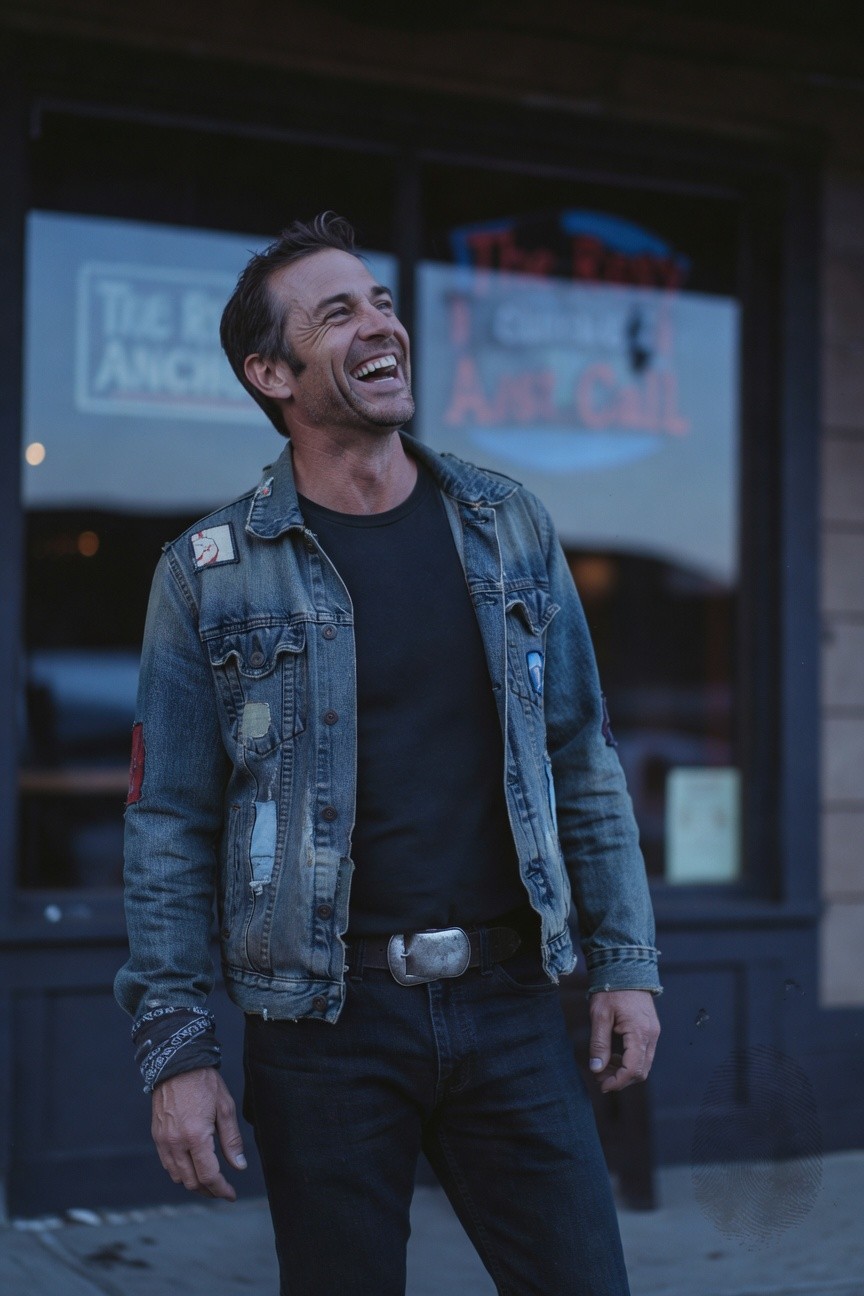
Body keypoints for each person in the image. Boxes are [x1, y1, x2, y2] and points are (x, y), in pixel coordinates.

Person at [115, 212, 661, 1296]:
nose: (381, 325)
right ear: (271, 372)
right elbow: (168, 820)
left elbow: (582, 759)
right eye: (338, 314)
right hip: (324, 1027)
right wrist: (177, 1049)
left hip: (511, 1002)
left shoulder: (509, 526)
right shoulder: (207, 574)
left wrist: (627, 964)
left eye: (382, 302)